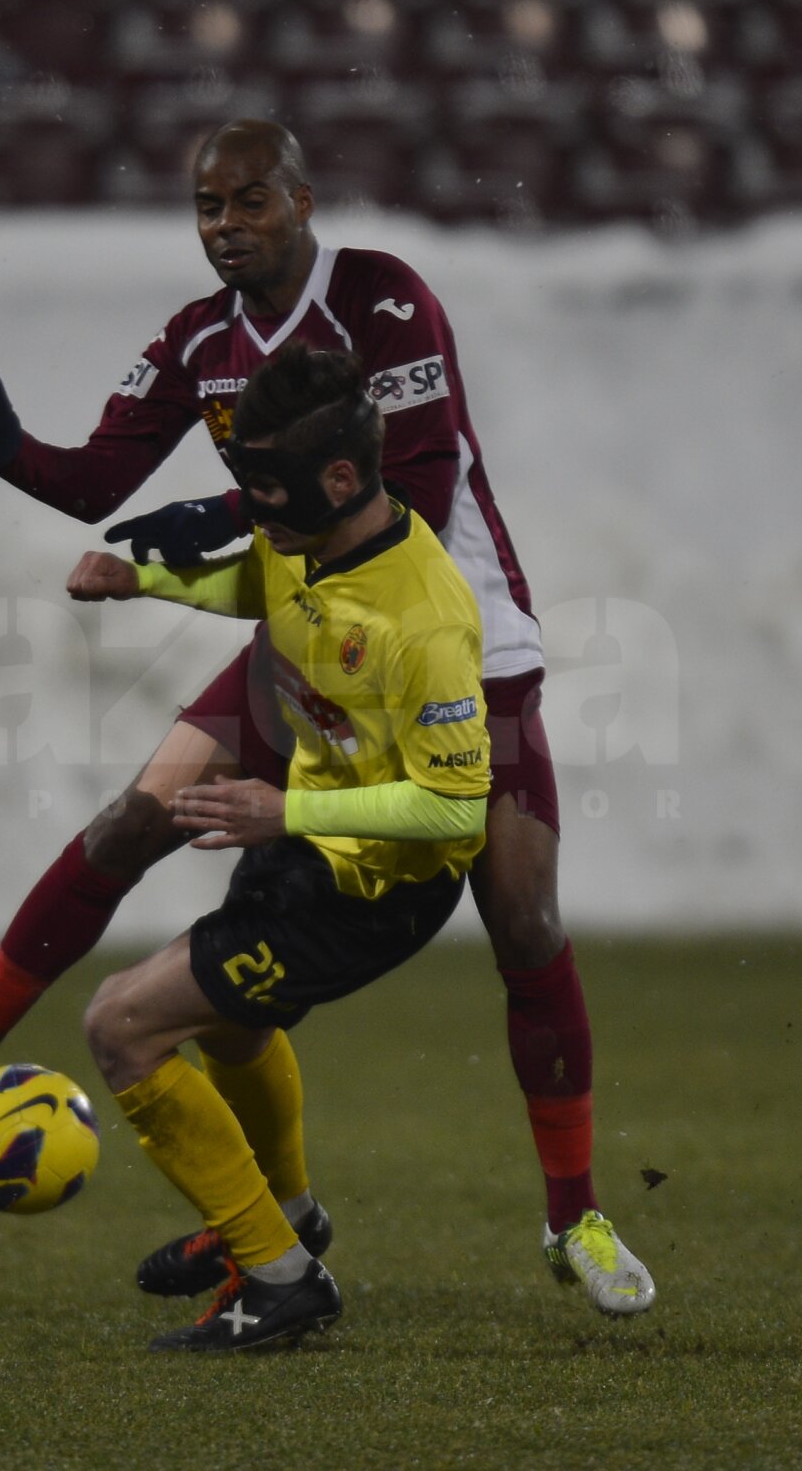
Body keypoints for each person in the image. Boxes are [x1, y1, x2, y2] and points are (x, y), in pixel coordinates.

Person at [0, 120, 654, 1319]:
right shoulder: (199, 340)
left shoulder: (381, 303)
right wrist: (0, 444)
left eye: (249, 201)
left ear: (302, 199)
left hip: (454, 641)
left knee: (525, 921)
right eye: (208, 207)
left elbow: (404, 486)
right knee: (131, 821)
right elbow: (100, 484)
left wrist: (222, 504)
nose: (226, 225)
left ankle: (572, 1215)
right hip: (307, 633)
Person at [88, 342, 495, 1347]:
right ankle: (289, 1218)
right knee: (229, 1028)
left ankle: (278, 1278)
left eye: (263, 484)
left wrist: (286, 814)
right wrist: (140, 579)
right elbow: (256, 585)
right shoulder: (303, 530)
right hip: (306, 845)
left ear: (343, 475)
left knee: (121, 1025)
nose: (250, 503)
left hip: (373, 889)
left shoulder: (427, 618)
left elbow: (459, 811)